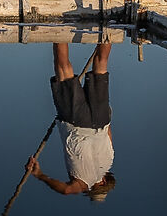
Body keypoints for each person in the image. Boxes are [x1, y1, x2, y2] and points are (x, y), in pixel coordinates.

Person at [26, 39, 115, 203]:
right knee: (63, 68)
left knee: (100, 64)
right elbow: (67, 190)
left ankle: (108, 30)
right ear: (98, 186)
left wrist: (106, 111)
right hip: (76, 122)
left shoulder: (109, 160)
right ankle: (60, 30)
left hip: (101, 119)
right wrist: (40, 175)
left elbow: (108, 131)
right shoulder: (83, 184)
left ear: (105, 181)